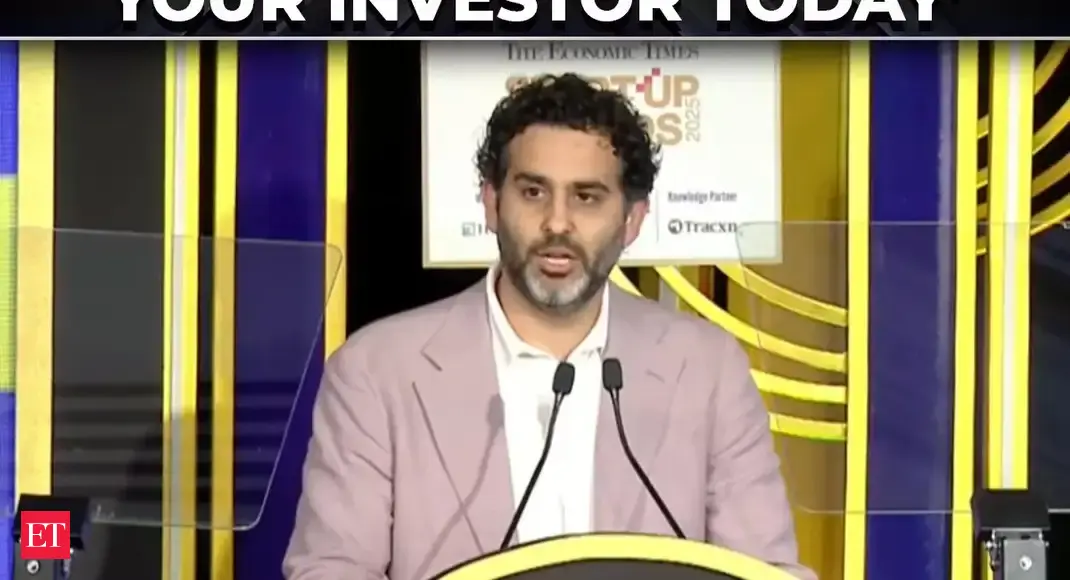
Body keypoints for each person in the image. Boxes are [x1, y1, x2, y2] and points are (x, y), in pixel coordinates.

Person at [284, 73, 815, 580]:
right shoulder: (378, 370)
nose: (557, 223)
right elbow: (330, 569)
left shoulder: (707, 369)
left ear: (632, 220)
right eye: (534, 192)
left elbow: (763, 572)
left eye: (587, 197)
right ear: (491, 203)